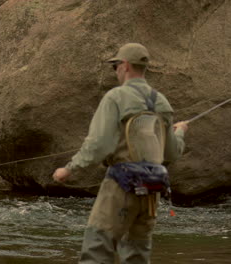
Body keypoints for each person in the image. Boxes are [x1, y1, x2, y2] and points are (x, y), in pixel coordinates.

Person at [52, 43, 188, 264]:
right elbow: (171, 153)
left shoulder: (116, 97)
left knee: (97, 250)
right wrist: (180, 132)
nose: (115, 70)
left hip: (120, 185)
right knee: (137, 255)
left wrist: (69, 169)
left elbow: (99, 145)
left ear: (124, 66)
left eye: (115, 65)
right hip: (152, 189)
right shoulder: (161, 101)